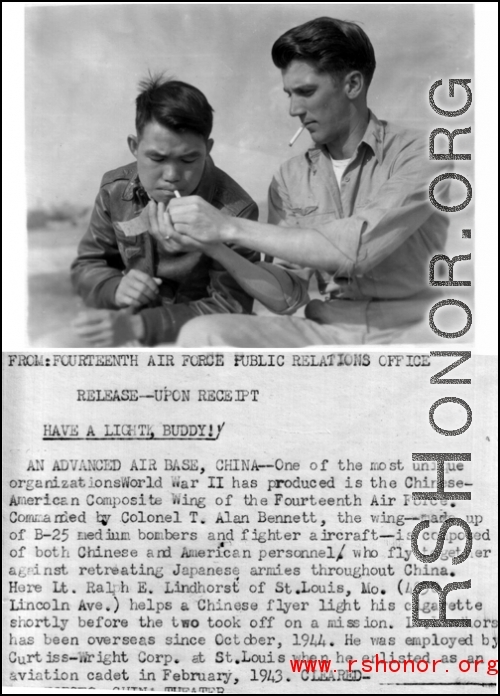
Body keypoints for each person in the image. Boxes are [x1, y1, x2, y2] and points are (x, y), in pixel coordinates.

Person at [160, 17, 450, 347]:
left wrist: (225, 226)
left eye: (306, 92)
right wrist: (215, 246)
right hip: (329, 332)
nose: (293, 109)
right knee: (203, 334)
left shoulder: (425, 152)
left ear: (352, 85)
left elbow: (357, 250)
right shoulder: (290, 177)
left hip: (414, 334)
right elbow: (287, 297)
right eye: (289, 94)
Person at [71, 75, 306, 346]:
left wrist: (142, 325)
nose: (172, 175)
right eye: (157, 158)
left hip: (194, 340)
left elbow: (230, 306)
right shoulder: (114, 190)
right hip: (125, 328)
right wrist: (114, 287)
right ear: (134, 146)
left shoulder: (235, 212)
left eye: (188, 159)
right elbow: (88, 264)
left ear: (207, 149)